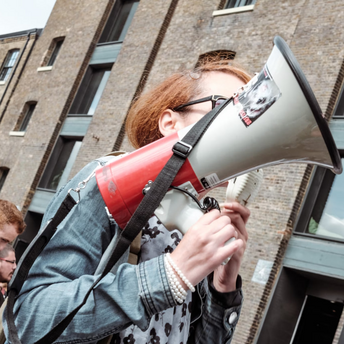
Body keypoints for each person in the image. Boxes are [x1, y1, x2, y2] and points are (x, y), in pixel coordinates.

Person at [4, 60, 252, 344]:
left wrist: (223, 289)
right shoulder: (111, 183)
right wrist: (169, 276)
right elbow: (27, 321)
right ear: (170, 123)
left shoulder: (202, 217)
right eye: (224, 105)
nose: (241, 121)